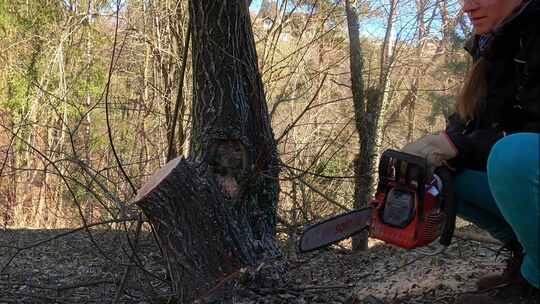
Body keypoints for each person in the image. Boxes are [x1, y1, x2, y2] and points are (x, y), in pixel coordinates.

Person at [402, 0, 539, 303]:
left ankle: (536, 283)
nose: (467, 6)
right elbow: (471, 121)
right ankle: (526, 257)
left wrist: (461, 146)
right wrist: (440, 146)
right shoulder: (493, 42)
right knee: (444, 178)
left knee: (512, 157)